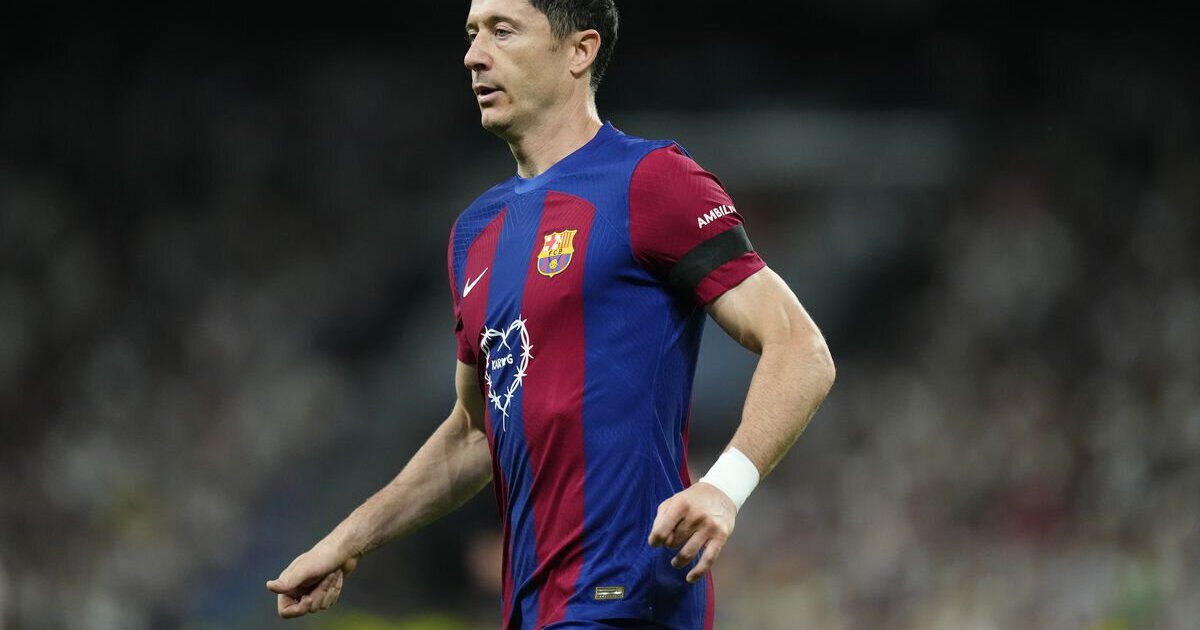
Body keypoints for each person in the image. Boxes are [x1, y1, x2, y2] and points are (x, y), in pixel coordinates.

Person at [266, 0, 836, 628]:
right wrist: (346, 542)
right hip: (535, 609)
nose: (473, 55)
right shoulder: (475, 233)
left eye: (502, 31)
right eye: (471, 34)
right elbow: (474, 431)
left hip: (628, 597)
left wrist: (724, 488)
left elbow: (800, 349)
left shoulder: (651, 180)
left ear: (579, 51)